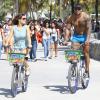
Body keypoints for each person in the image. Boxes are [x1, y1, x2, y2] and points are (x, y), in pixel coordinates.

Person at [65, 4, 91, 77]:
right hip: (76, 36)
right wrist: (66, 39)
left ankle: (87, 70)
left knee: (86, 53)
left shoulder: (86, 17)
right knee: (73, 51)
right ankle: (73, 69)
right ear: (74, 9)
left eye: (79, 8)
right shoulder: (71, 17)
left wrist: (87, 39)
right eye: (76, 9)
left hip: (85, 36)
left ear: (81, 9)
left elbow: (89, 28)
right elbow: (67, 28)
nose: (77, 10)